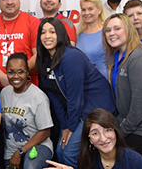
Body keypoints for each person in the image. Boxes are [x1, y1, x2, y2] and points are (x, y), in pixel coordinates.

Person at [36, 17, 116, 168]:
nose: (47, 36)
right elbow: (54, 97)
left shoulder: (71, 57)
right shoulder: (44, 60)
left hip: (95, 108)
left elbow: (75, 97)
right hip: (77, 111)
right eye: (43, 32)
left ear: (60, 34)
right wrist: (65, 125)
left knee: (69, 153)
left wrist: (70, 127)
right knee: (61, 151)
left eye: (52, 32)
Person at [102, 13, 142, 158]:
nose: (112, 33)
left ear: (128, 30)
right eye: (108, 30)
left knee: (121, 160)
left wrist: (122, 131)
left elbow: (141, 103)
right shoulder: (116, 57)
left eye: (117, 29)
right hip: (131, 122)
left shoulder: (139, 58)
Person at [44, 108, 142, 169]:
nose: (103, 138)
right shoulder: (87, 160)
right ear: (89, 139)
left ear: (116, 131)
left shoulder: (134, 161)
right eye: (95, 133)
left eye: (107, 130)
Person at [0, 53, 53, 169]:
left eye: (21, 72)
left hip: (38, 147)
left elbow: (46, 131)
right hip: (11, 150)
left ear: (27, 72)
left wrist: (20, 151)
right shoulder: (4, 93)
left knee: (30, 166)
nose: (16, 76)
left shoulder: (38, 97)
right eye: (11, 72)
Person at [76, 0, 108, 79]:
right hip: (83, 82)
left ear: (99, 10)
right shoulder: (79, 35)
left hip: (103, 82)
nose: (86, 13)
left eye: (90, 9)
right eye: (83, 10)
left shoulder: (107, 32)